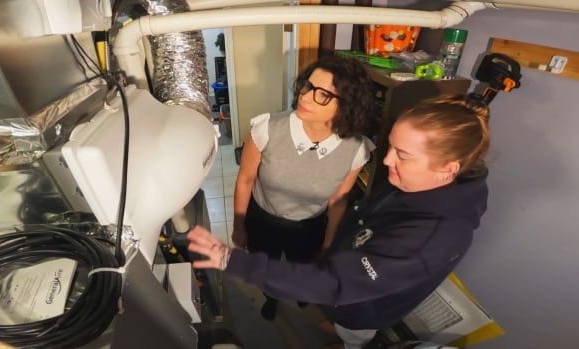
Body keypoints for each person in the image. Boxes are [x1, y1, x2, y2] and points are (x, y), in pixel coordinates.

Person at [188, 94, 491, 349]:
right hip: (348, 279)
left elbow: (335, 284)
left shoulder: (432, 237)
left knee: (355, 332)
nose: (386, 161)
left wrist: (233, 260)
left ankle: (348, 337)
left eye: (403, 155)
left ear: (447, 169)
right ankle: (338, 325)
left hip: (362, 307)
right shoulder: (422, 183)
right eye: (390, 147)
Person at [231, 55, 376, 320]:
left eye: (322, 94)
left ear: (348, 104)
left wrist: (328, 243)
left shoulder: (356, 149)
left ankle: (301, 294)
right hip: (263, 219)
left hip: (310, 225)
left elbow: (339, 200)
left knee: (305, 267)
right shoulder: (267, 128)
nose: (305, 97)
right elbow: (245, 179)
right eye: (306, 86)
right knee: (267, 268)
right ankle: (271, 297)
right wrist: (239, 225)